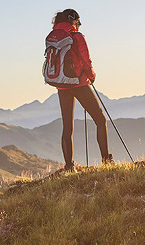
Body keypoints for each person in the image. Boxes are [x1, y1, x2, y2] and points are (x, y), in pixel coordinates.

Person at [46, 9, 112, 170]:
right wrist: (92, 75)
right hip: (79, 83)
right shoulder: (76, 36)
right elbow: (86, 59)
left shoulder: (53, 36)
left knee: (67, 127)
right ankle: (106, 161)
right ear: (73, 21)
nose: (79, 25)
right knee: (100, 120)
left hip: (62, 84)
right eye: (78, 22)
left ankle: (69, 165)